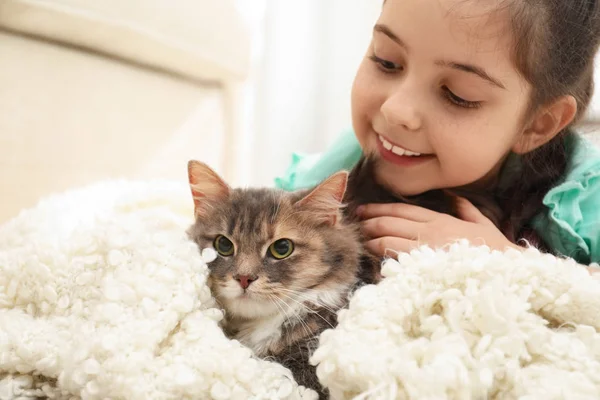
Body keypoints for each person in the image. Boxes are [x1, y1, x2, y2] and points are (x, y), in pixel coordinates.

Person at [275, 0, 600, 265]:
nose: (395, 110)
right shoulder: (349, 158)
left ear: (537, 124)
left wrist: (508, 261)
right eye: (386, 61)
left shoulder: (585, 194)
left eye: (457, 95)